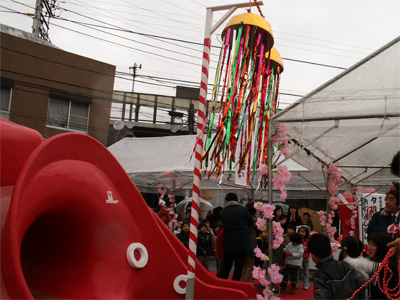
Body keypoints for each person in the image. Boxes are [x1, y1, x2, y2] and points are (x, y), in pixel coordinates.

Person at [307, 233, 365, 299]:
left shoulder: (320, 275)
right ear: (331, 250)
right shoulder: (345, 265)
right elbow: (361, 284)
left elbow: (322, 297)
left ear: (313, 256)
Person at [218, 193, 253, 281]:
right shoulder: (244, 210)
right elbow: (250, 222)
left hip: (228, 242)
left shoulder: (222, 212)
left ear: (227, 200)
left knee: (226, 263)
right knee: (239, 265)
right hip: (242, 242)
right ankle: (235, 283)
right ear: (237, 200)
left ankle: (223, 282)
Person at [367, 232, 399, 300]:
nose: (369, 248)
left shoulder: (380, 265)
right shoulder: (391, 263)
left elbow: (374, 291)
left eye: (373, 245)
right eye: (369, 245)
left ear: (381, 247)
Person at [241, 203, 258, 282]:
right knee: (250, 265)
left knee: (244, 265)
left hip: (243, 242)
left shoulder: (243, 218)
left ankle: (242, 282)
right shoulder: (253, 220)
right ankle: (246, 283)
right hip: (251, 243)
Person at [298, 226, 310, 290]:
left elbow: (309, 248)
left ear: (306, 233)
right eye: (300, 231)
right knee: (297, 271)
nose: (301, 233)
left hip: (305, 257)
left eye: (303, 232)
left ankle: (306, 284)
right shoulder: (297, 239)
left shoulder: (308, 240)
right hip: (298, 257)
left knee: (306, 271)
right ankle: (295, 283)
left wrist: (304, 248)